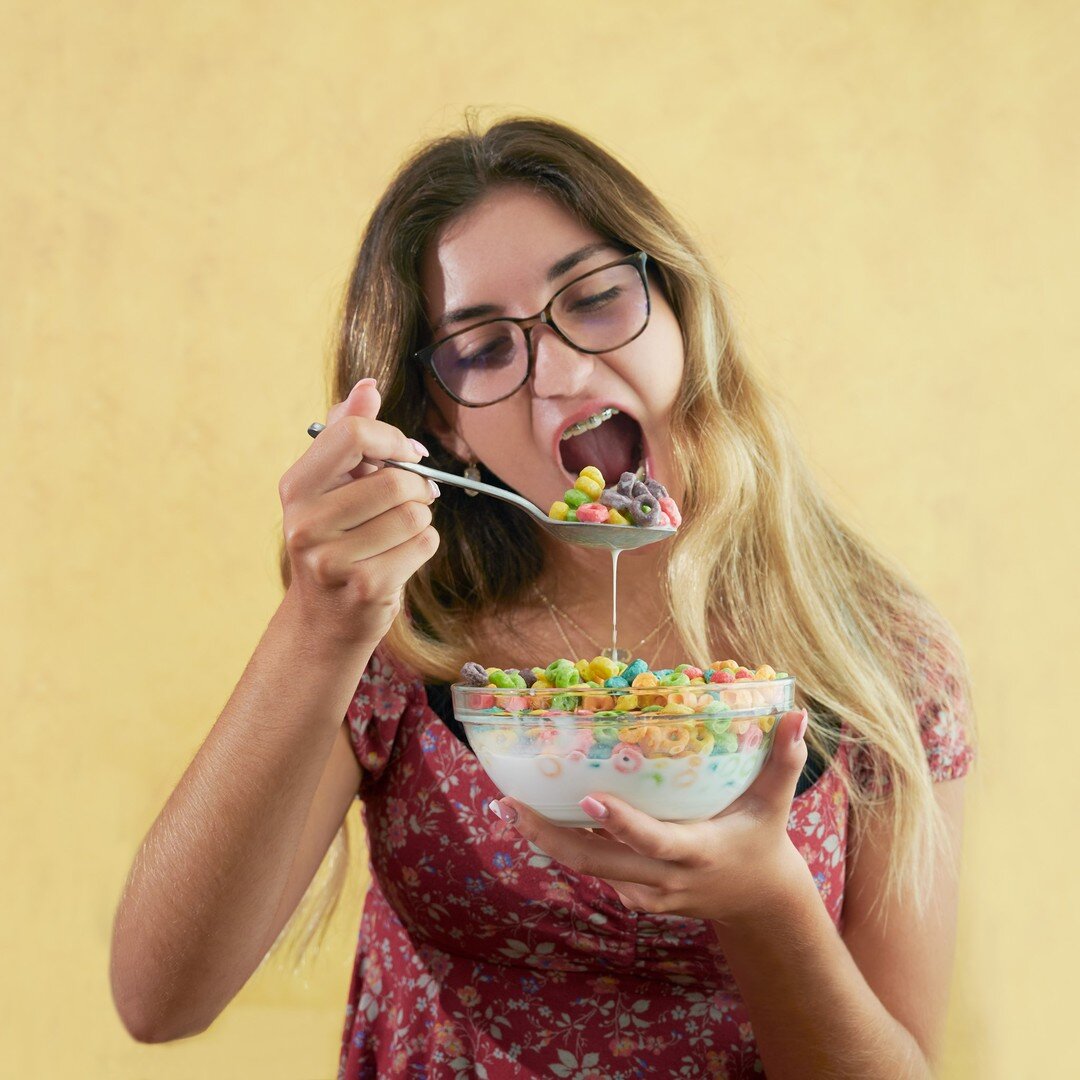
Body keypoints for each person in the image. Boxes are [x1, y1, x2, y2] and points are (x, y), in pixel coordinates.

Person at [109, 114, 975, 1079]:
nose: (558, 372)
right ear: (450, 427)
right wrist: (318, 623)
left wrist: (767, 902)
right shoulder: (402, 630)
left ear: (681, 311)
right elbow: (157, 1001)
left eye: (597, 299)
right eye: (483, 351)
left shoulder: (884, 656)